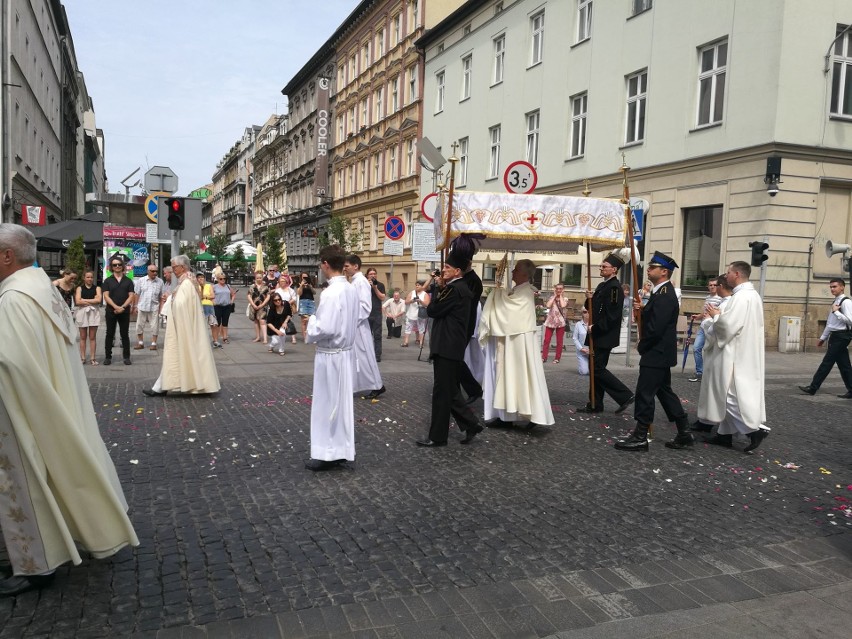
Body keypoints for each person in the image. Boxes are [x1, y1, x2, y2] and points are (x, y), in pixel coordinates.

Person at [0, 224, 139, 597]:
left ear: (7, 256)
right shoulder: (41, 288)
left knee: (27, 478)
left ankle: (37, 561)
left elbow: (11, 362)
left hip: (24, 406)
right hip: (59, 395)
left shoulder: (14, 299)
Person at [615, 251, 692, 452]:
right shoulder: (660, 293)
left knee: (645, 393)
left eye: (652, 267)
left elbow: (656, 328)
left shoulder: (665, 295)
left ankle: (640, 436)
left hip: (656, 352)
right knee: (664, 392)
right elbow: (655, 318)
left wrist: (642, 345)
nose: (648, 269)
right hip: (660, 353)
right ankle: (684, 432)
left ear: (664, 272)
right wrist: (643, 309)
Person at [700, 261, 770, 453]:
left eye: (729, 272)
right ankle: (725, 435)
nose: (726, 274)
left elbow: (727, 327)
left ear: (737, 274)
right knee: (730, 392)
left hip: (734, 352)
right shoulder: (752, 295)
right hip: (744, 349)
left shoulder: (741, 298)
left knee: (727, 393)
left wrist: (713, 317)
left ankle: (754, 430)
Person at [479, 259, 555, 430]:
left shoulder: (525, 292)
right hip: (513, 339)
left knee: (522, 376)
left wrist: (497, 293)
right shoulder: (518, 290)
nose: (512, 272)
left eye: (516, 270)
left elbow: (509, 309)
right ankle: (506, 414)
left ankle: (530, 413)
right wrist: (500, 293)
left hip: (520, 341)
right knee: (509, 376)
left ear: (524, 274)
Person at [416, 253, 482, 447]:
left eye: (447, 267)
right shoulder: (459, 288)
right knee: (450, 391)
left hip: (446, 345)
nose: (443, 270)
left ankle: (437, 437)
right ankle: (471, 424)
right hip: (451, 345)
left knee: (441, 392)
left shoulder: (454, 289)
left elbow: (434, 310)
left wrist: (431, 299)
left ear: (457, 271)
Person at [305, 245, 359, 471]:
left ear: (326, 264)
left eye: (320, 263)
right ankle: (340, 449)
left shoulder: (330, 292)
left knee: (327, 404)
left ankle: (327, 452)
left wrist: (311, 323)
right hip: (344, 354)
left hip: (331, 355)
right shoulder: (350, 289)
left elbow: (325, 327)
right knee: (342, 405)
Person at [142, 255, 220, 397]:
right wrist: (171, 298)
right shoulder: (186, 281)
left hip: (183, 327)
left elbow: (182, 304)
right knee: (175, 356)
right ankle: (162, 386)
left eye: (174, 268)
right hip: (183, 325)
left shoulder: (187, 283)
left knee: (176, 354)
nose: (173, 271)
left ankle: (164, 387)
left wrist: (171, 299)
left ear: (183, 267)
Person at [578, 254, 634, 414]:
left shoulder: (614, 288)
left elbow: (613, 316)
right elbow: (591, 307)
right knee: (594, 368)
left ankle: (625, 395)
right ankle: (595, 404)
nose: (601, 268)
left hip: (604, 335)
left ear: (614, 269)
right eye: (601, 266)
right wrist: (589, 298)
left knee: (597, 369)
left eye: (604, 266)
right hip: (597, 334)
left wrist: (594, 328)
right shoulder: (603, 286)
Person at [693, 274, 734, 432]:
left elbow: (723, 328)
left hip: (720, 352)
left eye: (715, 286)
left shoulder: (729, 303)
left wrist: (710, 319)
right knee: (709, 388)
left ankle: (752, 431)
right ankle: (705, 421)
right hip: (714, 352)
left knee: (719, 391)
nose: (713, 289)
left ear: (720, 287)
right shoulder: (725, 302)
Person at [799, 278, 852, 399]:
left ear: (842, 287)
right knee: (845, 365)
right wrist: (823, 337)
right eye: (831, 287)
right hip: (835, 336)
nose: (832, 289)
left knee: (827, 362)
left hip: (842, 336)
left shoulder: (846, 302)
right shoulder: (835, 302)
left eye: (835, 286)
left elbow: (850, 320)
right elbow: (830, 323)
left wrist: (837, 312)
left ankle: (813, 387)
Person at [344, 255, 385, 399]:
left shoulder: (361, 282)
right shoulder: (355, 281)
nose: (345, 268)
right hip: (355, 325)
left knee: (365, 356)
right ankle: (359, 385)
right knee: (357, 358)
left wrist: (351, 320)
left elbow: (365, 306)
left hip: (359, 326)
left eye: (347, 265)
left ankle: (377, 385)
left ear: (356, 266)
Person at [102, 256, 135, 365]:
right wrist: (116, 307)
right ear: (111, 267)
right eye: (115, 265)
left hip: (124, 311)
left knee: (124, 334)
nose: (117, 267)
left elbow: (131, 296)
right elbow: (106, 296)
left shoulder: (128, 281)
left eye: (119, 265)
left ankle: (126, 357)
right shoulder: (107, 281)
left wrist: (123, 308)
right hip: (111, 311)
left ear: (123, 266)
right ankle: (108, 357)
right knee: (109, 334)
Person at [688, 280, 722, 383]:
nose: (712, 287)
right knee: (696, 348)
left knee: (712, 351)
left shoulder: (721, 299)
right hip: (703, 327)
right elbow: (705, 313)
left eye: (714, 285)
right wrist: (698, 316)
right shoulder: (707, 298)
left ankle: (713, 373)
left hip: (712, 328)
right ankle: (700, 372)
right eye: (710, 285)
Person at [132, 264, 163, 351]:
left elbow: (161, 296)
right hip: (142, 306)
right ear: (148, 271)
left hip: (154, 307)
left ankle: (154, 343)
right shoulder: (141, 280)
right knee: (139, 325)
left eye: (156, 271)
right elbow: (136, 294)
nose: (155, 273)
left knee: (154, 326)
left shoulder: (160, 282)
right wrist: (135, 306)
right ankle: (140, 343)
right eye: (153, 271)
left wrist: (161, 308)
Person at [75, 269, 102, 366]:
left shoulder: (97, 288)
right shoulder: (79, 288)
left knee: (92, 337)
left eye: (91, 277)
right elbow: (77, 301)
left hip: (94, 313)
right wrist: (92, 300)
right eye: (88, 277)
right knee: (83, 337)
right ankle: (82, 358)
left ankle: (92, 358)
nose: (90, 279)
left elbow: (98, 300)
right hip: (82, 313)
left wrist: (84, 300)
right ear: (84, 278)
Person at [542, 283, 569, 364]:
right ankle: (544, 357)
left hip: (560, 322)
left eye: (560, 289)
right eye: (557, 288)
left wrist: (560, 295)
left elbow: (563, 305)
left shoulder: (565, 298)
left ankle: (557, 358)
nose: (558, 290)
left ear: (563, 290)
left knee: (559, 341)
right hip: (550, 321)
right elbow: (547, 305)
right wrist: (554, 295)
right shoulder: (552, 298)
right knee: (546, 340)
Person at [364, 267, 386, 361]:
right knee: (366, 336)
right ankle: (366, 354)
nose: (373, 275)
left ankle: (377, 355)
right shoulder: (363, 284)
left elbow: (382, 298)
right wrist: (367, 287)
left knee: (377, 335)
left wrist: (375, 288)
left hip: (376, 313)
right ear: (367, 275)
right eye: (371, 274)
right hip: (366, 313)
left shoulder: (380, 285)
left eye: (374, 274)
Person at [212, 273, 237, 345]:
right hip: (218, 306)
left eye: (224, 279)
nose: (223, 280)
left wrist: (231, 301)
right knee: (217, 323)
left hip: (227, 306)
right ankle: (215, 339)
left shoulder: (228, 286)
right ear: (217, 279)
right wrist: (214, 302)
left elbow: (233, 294)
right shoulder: (214, 287)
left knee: (225, 323)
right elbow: (211, 295)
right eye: (221, 279)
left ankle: (225, 337)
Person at [403, 281, 429, 347]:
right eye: (416, 285)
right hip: (411, 313)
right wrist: (412, 300)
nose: (417, 286)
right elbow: (406, 302)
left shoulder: (425, 294)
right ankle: (406, 342)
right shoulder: (412, 293)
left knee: (421, 329)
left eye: (419, 285)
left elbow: (427, 304)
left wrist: (420, 301)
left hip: (420, 314)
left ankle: (421, 343)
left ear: (422, 286)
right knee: (408, 328)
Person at [265, 291, 292, 355]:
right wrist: (276, 331)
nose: (278, 301)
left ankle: (281, 350)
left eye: (279, 299)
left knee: (282, 334)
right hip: (274, 326)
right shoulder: (272, 309)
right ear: (273, 301)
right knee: (275, 341)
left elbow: (289, 314)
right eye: (275, 300)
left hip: (283, 324)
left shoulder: (286, 304)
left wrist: (285, 322)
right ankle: (271, 346)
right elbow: (268, 322)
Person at [196, 272, 219, 347]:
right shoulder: (196, 287)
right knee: (202, 325)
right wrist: (204, 294)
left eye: (202, 277)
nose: (200, 279)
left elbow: (213, 295)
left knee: (214, 324)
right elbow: (198, 297)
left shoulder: (209, 286)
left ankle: (215, 340)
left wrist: (205, 297)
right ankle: (202, 341)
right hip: (200, 306)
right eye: (199, 277)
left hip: (209, 306)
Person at [248, 271, 271, 344]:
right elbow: (249, 295)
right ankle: (258, 337)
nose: (259, 279)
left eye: (260, 278)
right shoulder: (252, 286)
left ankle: (265, 338)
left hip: (263, 306)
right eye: (257, 278)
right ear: (255, 278)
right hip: (254, 306)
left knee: (262, 321)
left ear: (262, 278)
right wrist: (253, 304)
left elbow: (268, 296)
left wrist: (262, 304)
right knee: (256, 321)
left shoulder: (266, 287)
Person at [276, 273, 298, 344]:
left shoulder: (290, 290)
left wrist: (288, 303)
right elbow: (275, 298)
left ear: (286, 282)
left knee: (290, 322)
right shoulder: (278, 290)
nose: (282, 283)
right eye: (280, 281)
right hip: (279, 307)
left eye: (283, 281)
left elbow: (294, 298)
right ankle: (281, 335)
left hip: (288, 307)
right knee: (280, 322)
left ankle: (293, 337)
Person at [297, 271, 316, 343]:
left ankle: (311, 336)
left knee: (312, 320)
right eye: (303, 277)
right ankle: (305, 338)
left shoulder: (310, 284)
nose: (304, 279)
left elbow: (314, 292)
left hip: (311, 302)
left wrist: (310, 286)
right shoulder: (300, 284)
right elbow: (299, 293)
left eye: (306, 277)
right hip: (303, 302)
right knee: (303, 321)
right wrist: (301, 285)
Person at [572, 307, 590, 375]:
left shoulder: (594, 324)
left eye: (589, 312)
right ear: (582, 313)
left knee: (595, 372)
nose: (587, 314)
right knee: (584, 372)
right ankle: (583, 365)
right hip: (582, 352)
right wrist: (581, 348)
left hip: (592, 352)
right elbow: (575, 338)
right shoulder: (578, 324)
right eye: (585, 312)